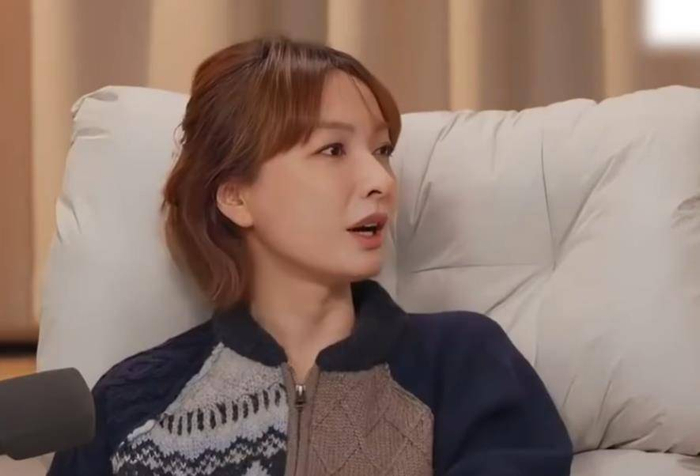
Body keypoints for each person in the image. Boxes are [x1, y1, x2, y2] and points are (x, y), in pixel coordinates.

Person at [47, 35, 573, 475]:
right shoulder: (128, 403)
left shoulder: (466, 364)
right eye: (333, 150)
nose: (380, 180)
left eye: (382, 151)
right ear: (236, 197)